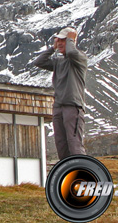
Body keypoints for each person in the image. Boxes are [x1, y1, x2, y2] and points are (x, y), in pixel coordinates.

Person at [33, 27, 88, 160]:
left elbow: (71, 53)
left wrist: (70, 39)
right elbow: (38, 62)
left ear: (72, 41)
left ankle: (82, 172)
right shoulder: (58, 61)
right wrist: (53, 48)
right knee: (61, 145)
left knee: (74, 145)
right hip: (58, 107)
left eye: (64, 40)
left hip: (73, 107)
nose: (61, 43)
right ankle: (67, 175)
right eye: (59, 40)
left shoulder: (79, 58)